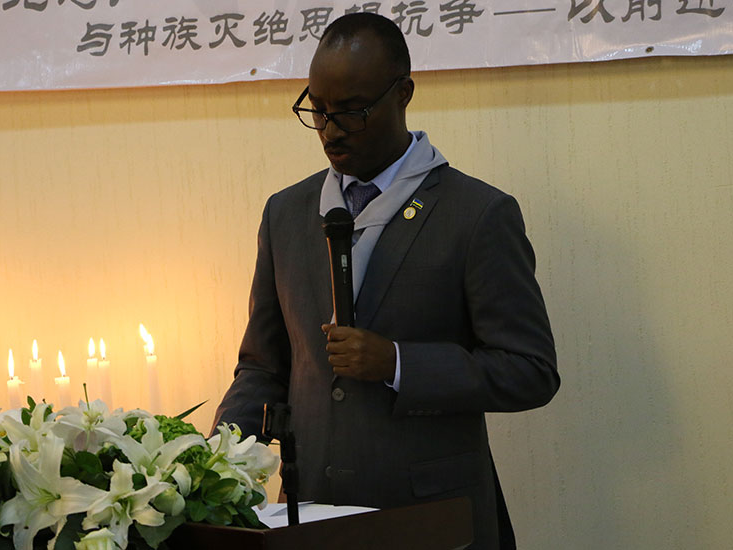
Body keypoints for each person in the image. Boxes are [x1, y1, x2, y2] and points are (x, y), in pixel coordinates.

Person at [212, 13, 559, 550]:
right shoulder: (286, 212)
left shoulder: (477, 214)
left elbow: (530, 371)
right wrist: (214, 462)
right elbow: (262, 365)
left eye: (351, 110)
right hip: (310, 513)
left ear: (404, 93)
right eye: (317, 109)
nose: (329, 129)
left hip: (433, 518)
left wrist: (398, 363)